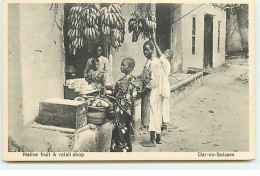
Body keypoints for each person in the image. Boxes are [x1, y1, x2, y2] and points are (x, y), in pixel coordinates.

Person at [107, 57, 139, 152]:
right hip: (128, 110)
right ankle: (127, 150)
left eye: (123, 65)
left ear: (130, 68)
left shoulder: (122, 81)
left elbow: (117, 94)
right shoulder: (134, 79)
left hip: (120, 111)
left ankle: (119, 151)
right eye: (121, 64)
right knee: (126, 131)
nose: (121, 67)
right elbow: (134, 95)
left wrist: (108, 94)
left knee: (119, 131)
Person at [141, 40, 162, 147]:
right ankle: (158, 137)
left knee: (152, 115)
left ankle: (152, 140)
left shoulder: (153, 63)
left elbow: (153, 81)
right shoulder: (152, 60)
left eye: (147, 50)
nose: (145, 52)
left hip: (152, 91)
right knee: (156, 113)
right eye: (144, 50)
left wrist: (143, 90)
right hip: (155, 90)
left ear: (152, 50)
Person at [152, 38, 174, 132]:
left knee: (164, 105)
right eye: (165, 53)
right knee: (161, 105)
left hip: (164, 85)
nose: (164, 54)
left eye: (166, 54)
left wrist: (155, 43)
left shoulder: (166, 62)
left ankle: (164, 124)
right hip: (162, 84)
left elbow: (160, 54)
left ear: (169, 57)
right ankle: (162, 123)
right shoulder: (164, 62)